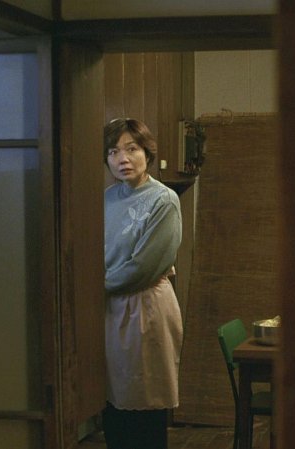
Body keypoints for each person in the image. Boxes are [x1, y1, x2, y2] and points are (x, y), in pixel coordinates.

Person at [102, 117, 183, 449]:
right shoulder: (106, 198)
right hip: (109, 307)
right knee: (112, 404)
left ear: (147, 153)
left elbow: (143, 268)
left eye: (131, 149)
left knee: (144, 404)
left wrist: (94, 287)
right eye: (113, 151)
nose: (123, 158)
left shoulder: (164, 200)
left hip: (144, 307)